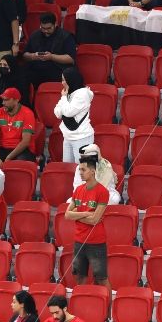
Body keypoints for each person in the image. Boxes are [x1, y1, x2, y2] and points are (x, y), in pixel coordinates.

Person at [66, 156, 111, 291]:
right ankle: (82, 306)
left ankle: (108, 311)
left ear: (92, 171)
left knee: (102, 279)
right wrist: (85, 213)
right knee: (80, 277)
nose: (80, 172)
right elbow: (67, 214)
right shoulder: (78, 190)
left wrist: (76, 215)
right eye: (79, 169)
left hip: (96, 243)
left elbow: (95, 220)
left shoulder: (102, 191)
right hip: (79, 241)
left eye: (83, 170)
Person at [22, 13, 77, 87]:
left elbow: (70, 59)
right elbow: (25, 55)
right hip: (36, 70)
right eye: (43, 28)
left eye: (49, 28)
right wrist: (33, 56)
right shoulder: (35, 35)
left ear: (55, 24)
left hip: (57, 70)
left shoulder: (66, 36)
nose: (46, 31)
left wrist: (51, 57)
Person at [54, 67, 94, 163]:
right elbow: (57, 113)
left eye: (64, 80)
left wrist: (63, 98)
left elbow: (68, 112)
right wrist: (64, 98)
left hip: (82, 137)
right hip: (68, 136)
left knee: (83, 172)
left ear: (71, 79)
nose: (62, 83)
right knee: (68, 169)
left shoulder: (83, 94)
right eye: (62, 80)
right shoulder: (68, 93)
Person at [0, 87, 36, 164]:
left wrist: (9, 157)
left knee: (18, 165)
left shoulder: (28, 113)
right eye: (3, 100)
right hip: (3, 149)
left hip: (22, 150)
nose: (3, 103)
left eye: (6, 100)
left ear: (16, 100)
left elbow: (25, 141)